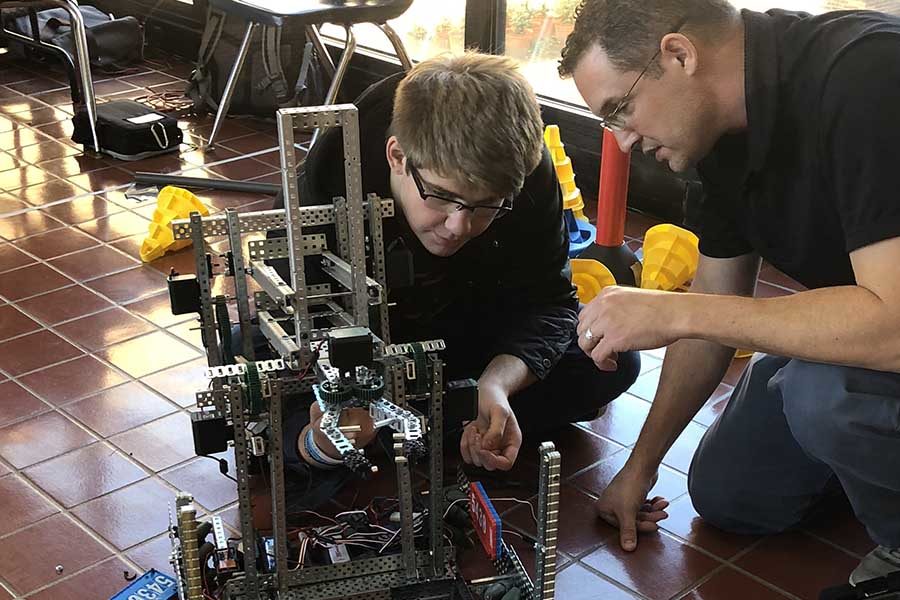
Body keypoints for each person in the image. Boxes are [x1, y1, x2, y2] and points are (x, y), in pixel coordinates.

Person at [558, 0, 900, 585]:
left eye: (621, 110)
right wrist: (638, 469)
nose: (619, 142)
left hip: (889, 329)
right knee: (730, 494)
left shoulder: (868, 74)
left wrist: (678, 310)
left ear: (679, 54)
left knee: (824, 395)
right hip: (872, 322)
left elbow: (893, 329)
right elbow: (711, 318)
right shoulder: (718, 137)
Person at [268, 53, 639, 504]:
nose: (459, 226)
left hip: (469, 332)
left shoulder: (524, 169)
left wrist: (498, 384)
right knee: (267, 390)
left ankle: (435, 425)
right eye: (442, 198)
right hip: (364, 352)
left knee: (612, 360)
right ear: (398, 157)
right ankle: (391, 434)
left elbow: (550, 301)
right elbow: (302, 320)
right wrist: (343, 397)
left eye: (487, 205)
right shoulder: (334, 167)